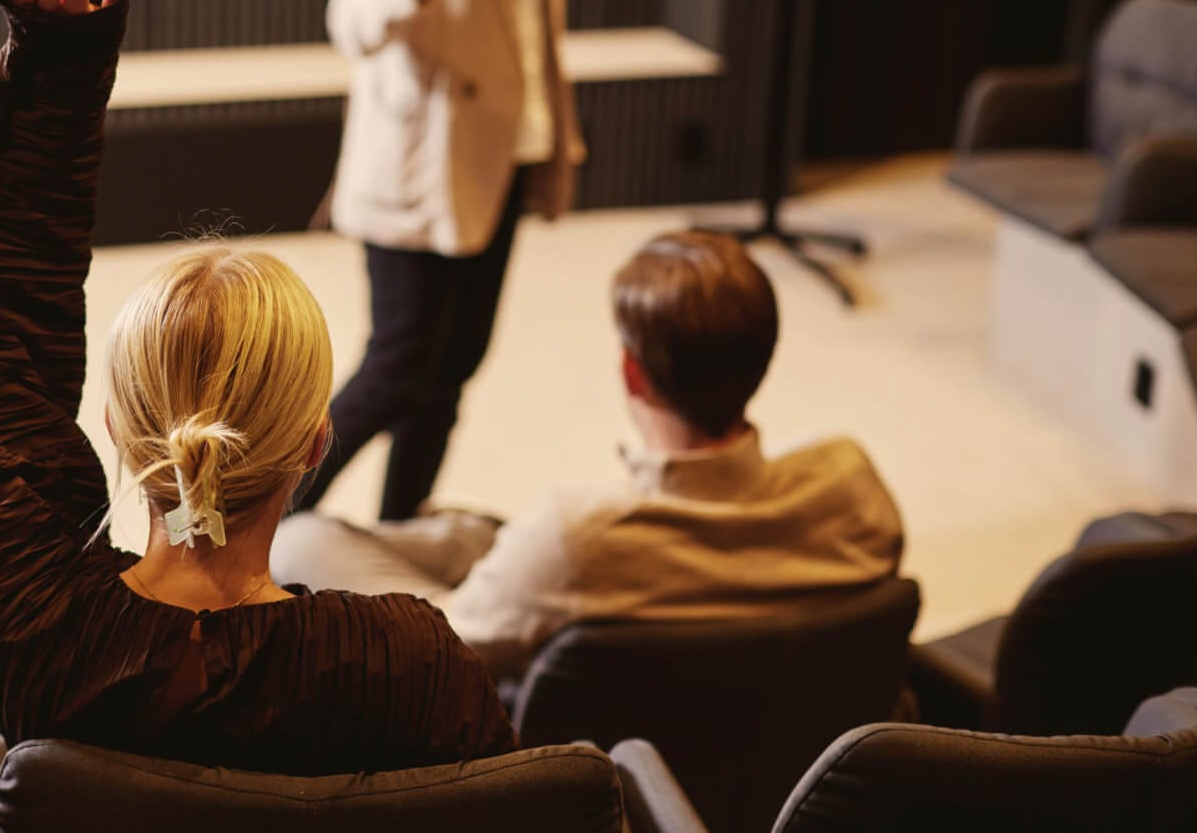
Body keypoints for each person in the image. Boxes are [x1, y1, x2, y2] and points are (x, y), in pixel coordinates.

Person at [0, 0, 516, 774]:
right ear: (316, 441)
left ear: (118, 430)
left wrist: (54, 76)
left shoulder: (36, 623)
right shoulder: (410, 667)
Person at [274, 231, 905, 680]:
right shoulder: (852, 486)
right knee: (471, 535)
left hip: (540, 700)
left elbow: (456, 647)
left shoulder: (580, 535)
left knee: (303, 539)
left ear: (632, 373)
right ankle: (470, 536)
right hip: (762, 740)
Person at [307, 0, 586, 521]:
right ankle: (243, 533)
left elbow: (535, 27)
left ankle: (397, 539)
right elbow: (350, 22)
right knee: (396, 364)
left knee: (454, 367)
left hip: (505, 148)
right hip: (420, 160)